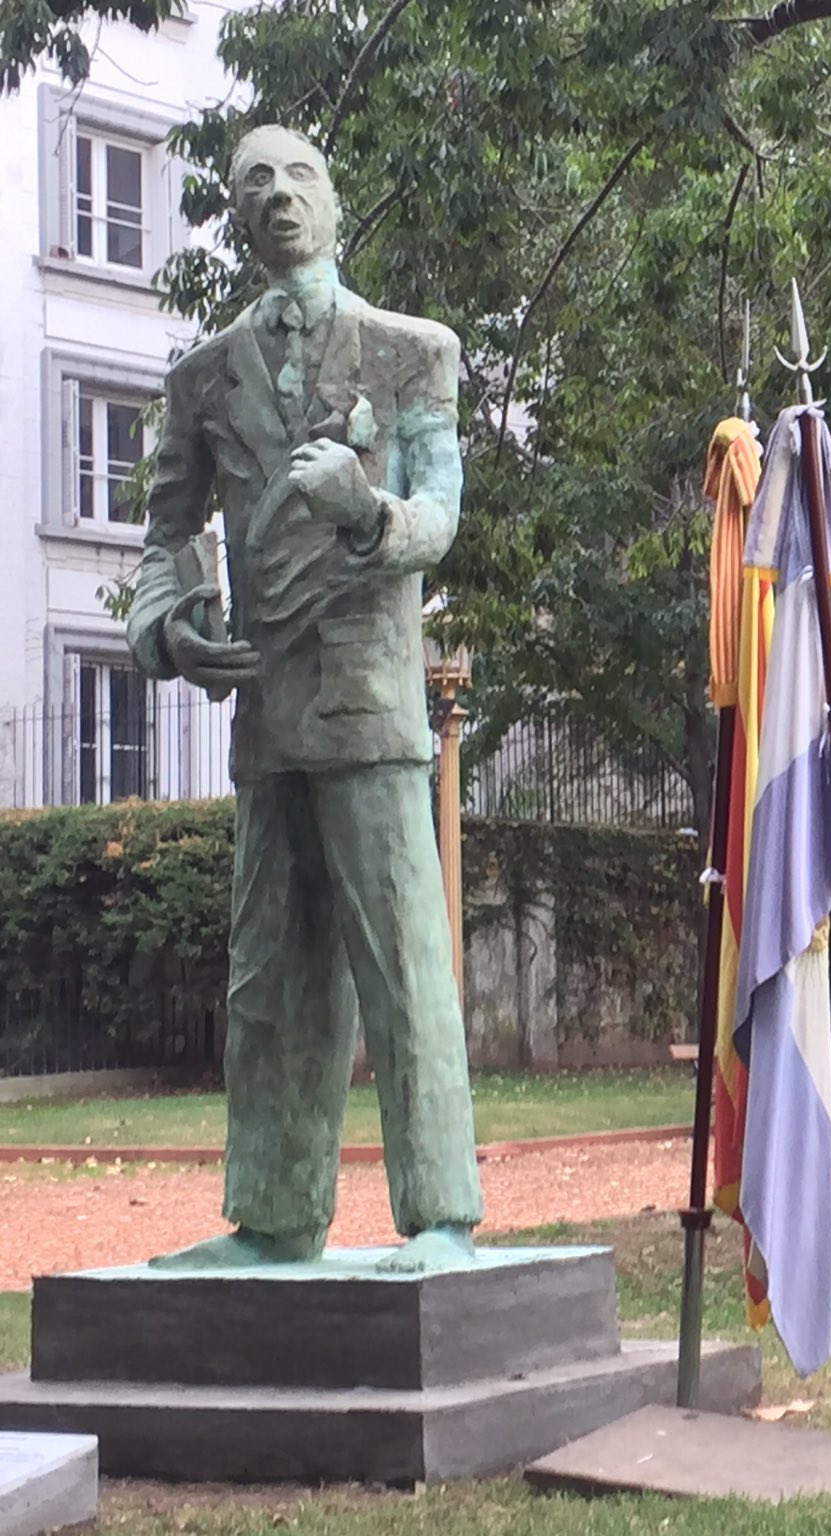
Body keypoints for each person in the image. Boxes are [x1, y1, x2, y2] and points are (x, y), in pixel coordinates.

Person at [129, 124, 484, 1274]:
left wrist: (367, 511)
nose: (278, 198)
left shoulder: (410, 350)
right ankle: (274, 1219)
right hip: (267, 715)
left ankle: (440, 1219)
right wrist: (169, 624)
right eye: (254, 186)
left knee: (402, 963)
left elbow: (439, 512)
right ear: (237, 221)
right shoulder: (203, 378)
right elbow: (164, 541)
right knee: (268, 975)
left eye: (299, 178)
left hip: (371, 705)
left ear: (334, 202)